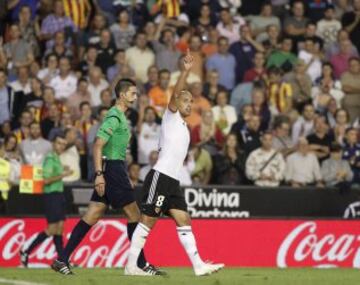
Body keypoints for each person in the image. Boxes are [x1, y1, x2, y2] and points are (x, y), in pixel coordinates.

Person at [125, 50, 224, 276]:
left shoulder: (185, 127)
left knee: (183, 219)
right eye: (185, 100)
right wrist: (186, 72)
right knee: (148, 220)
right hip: (159, 176)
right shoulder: (171, 116)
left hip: (172, 181)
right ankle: (131, 266)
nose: (190, 104)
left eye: (191, 102)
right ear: (176, 102)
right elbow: (176, 92)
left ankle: (198, 266)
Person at [51, 79, 157, 275]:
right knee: (134, 215)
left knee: (92, 214)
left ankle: (61, 259)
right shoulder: (115, 117)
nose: (136, 96)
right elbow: (98, 145)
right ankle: (140, 264)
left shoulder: (120, 117)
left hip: (113, 168)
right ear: (123, 95)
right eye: (133, 93)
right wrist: (99, 174)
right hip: (113, 168)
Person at [20, 135, 73, 267]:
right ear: (54, 144)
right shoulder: (50, 158)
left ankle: (62, 260)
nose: (61, 146)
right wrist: (64, 174)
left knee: (60, 228)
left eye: (63, 144)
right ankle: (26, 251)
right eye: (59, 143)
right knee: (52, 229)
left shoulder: (56, 158)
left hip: (58, 195)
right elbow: (46, 180)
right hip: (51, 196)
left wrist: (62, 170)